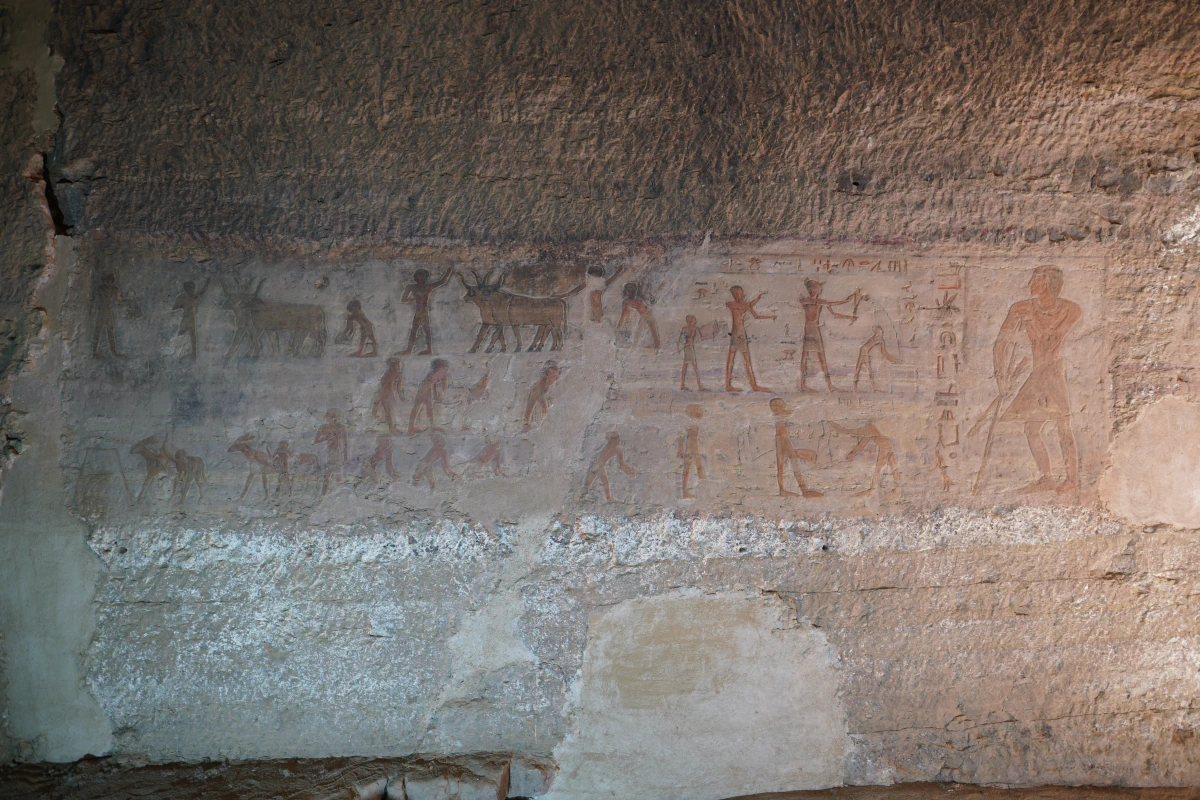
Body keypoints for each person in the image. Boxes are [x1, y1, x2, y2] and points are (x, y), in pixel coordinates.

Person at [993, 265, 1081, 494]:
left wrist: (1031, 321)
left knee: (1063, 425)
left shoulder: (1070, 309)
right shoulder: (1020, 308)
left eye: (1036, 279)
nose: (1031, 282)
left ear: (1048, 283)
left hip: (1052, 371)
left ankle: (1072, 479)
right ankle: (1047, 477)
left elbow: (1051, 339)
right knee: (1032, 429)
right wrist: (1001, 377)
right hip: (1037, 373)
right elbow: (1001, 343)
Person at [798, 279, 857, 392]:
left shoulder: (818, 301)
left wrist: (849, 316)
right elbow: (809, 302)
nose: (821, 289)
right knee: (806, 357)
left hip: (814, 329)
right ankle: (802, 385)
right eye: (819, 287)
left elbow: (835, 312)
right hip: (810, 329)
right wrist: (845, 301)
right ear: (813, 289)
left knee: (819, 357)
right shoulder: (809, 301)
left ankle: (829, 385)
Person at [724, 285, 775, 392]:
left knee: (747, 360)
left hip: (741, 334)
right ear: (734, 294)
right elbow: (747, 306)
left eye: (739, 292)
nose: (738, 294)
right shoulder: (733, 304)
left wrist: (769, 315)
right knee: (730, 360)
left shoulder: (743, 305)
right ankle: (728, 385)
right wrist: (749, 305)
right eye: (736, 293)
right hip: (735, 334)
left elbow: (754, 313)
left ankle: (754, 386)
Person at [830, 421, 899, 496]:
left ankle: (872, 490)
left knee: (878, 469)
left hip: (884, 447)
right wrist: (852, 454)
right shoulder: (871, 430)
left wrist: (834, 425)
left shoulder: (869, 429)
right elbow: (862, 443)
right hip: (889, 445)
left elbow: (847, 431)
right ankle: (897, 489)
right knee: (893, 467)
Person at [770, 398, 821, 498]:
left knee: (785, 465)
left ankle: (797, 489)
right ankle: (802, 490)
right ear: (778, 407)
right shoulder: (780, 415)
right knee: (790, 463)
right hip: (783, 439)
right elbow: (791, 412)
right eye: (782, 405)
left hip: (782, 439)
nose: (784, 406)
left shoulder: (779, 415)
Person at [400, 268, 452, 355]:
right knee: (418, 331)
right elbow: (403, 299)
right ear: (417, 277)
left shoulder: (424, 287)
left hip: (422, 311)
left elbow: (442, 282)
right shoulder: (413, 287)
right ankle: (414, 350)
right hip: (420, 311)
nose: (422, 279)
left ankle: (425, 349)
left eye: (423, 277)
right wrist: (413, 299)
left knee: (423, 330)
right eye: (420, 276)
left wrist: (448, 272)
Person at [584, 432, 637, 502]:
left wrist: (630, 470)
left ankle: (582, 496)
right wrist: (630, 471)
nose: (619, 440)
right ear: (613, 440)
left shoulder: (612, 448)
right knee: (604, 482)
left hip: (596, 464)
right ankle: (608, 498)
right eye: (617, 438)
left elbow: (622, 465)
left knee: (589, 483)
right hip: (599, 465)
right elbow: (622, 466)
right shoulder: (617, 450)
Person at [171, 279, 210, 360]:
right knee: (189, 337)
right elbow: (202, 292)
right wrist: (207, 283)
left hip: (187, 320)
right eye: (192, 288)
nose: (194, 290)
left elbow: (174, 307)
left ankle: (190, 355)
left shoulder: (183, 297)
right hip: (190, 320)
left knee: (185, 336)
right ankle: (188, 354)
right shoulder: (192, 297)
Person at [408, 359, 449, 434]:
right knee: (419, 406)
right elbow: (431, 383)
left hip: (426, 388)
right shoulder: (436, 373)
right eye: (440, 366)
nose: (442, 368)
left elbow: (437, 385)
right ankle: (411, 427)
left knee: (428, 407)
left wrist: (437, 394)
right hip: (425, 388)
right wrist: (436, 393)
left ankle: (431, 426)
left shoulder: (441, 374)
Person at [853, 325, 900, 392]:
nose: (881, 332)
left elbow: (884, 353)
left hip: (864, 350)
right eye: (880, 331)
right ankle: (856, 388)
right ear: (878, 331)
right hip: (864, 350)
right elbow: (884, 352)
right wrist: (893, 359)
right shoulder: (878, 338)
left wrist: (894, 359)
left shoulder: (880, 339)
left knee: (866, 369)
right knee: (859, 368)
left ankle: (872, 387)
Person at [92, 272, 126, 357]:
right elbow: (94, 300)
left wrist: (125, 302)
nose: (109, 283)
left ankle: (113, 351)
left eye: (110, 281)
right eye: (107, 281)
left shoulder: (114, 289)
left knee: (110, 331)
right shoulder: (100, 288)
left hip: (108, 311)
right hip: (102, 311)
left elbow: (119, 300)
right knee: (98, 331)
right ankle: (94, 351)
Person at [617, 282, 661, 349]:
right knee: (652, 331)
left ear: (629, 292)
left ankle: (657, 346)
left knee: (651, 331)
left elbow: (624, 316)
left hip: (645, 316)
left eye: (626, 291)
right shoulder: (634, 301)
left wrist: (619, 328)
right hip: (645, 316)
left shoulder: (629, 302)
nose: (624, 292)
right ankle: (657, 346)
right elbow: (624, 316)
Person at [315, 409, 348, 495]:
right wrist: (327, 438)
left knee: (337, 475)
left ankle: (334, 493)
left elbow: (345, 443)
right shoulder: (323, 427)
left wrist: (345, 457)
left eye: (335, 417)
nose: (333, 419)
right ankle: (324, 494)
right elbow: (316, 441)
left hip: (337, 453)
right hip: (327, 453)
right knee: (328, 475)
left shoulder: (341, 427)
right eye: (331, 417)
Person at [523, 361, 561, 430]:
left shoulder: (552, 384)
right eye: (553, 374)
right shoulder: (540, 385)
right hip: (537, 415)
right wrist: (526, 421)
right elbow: (533, 399)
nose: (557, 377)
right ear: (547, 374)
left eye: (557, 374)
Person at [679, 404, 706, 499]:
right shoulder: (688, 423)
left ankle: (688, 491)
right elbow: (681, 436)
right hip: (691, 448)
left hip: (695, 448)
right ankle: (685, 492)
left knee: (698, 468)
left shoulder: (695, 422)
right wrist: (680, 450)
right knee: (689, 469)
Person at [372, 357, 404, 432]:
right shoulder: (389, 374)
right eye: (397, 365)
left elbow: (398, 388)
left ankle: (392, 427)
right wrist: (393, 396)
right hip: (384, 394)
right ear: (392, 366)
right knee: (378, 409)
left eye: (399, 365)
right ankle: (389, 427)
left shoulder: (398, 375)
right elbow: (387, 386)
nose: (399, 367)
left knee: (388, 411)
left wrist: (401, 396)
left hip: (386, 394)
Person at [677, 315, 704, 390]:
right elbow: (679, 339)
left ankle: (697, 385)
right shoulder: (685, 328)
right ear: (690, 321)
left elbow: (701, 337)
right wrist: (678, 348)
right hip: (687, 348)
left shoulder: (695, 328)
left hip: (690, 348)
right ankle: (697, 386)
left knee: (689, 366)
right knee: (689, 366)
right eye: (692, 320)